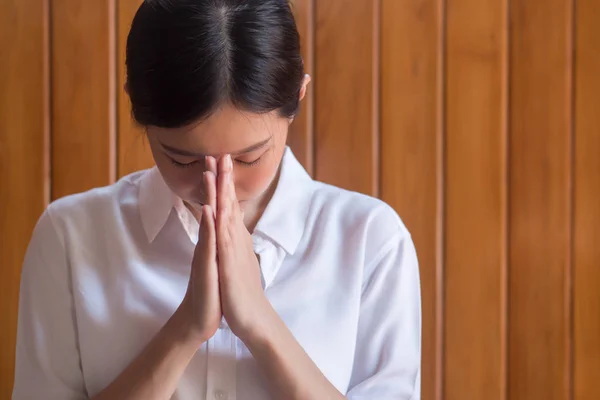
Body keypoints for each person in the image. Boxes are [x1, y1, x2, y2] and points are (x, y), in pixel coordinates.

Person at [12, 0, 421, 399]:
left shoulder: (370, 242)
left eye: (248, 158)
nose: (216, 185)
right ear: (137, 108)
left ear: (298, 96)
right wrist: (186, 328)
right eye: (183, 159)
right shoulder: (71, 237)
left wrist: (260, 324)